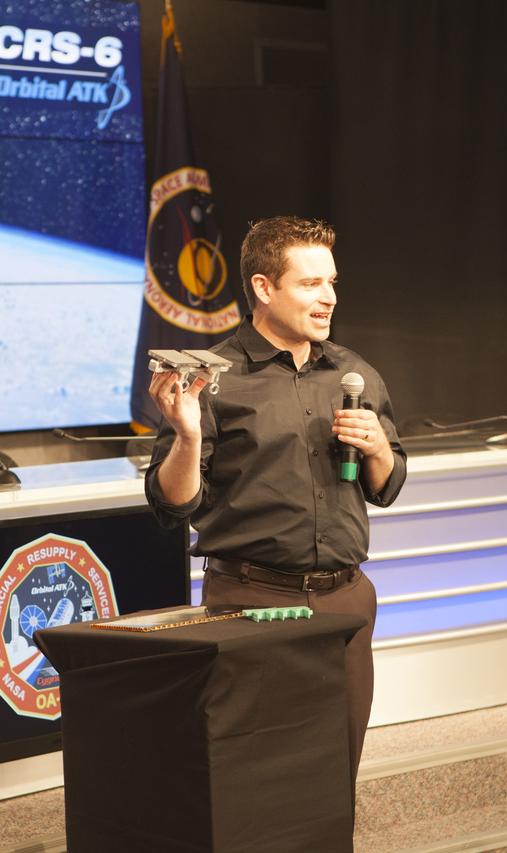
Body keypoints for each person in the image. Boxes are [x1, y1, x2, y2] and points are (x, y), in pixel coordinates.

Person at [145, 215, 406, 797]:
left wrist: (379, 448)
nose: (328, 298)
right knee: (254, 782)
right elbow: (172, 504)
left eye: (332, 283)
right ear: (264, 288)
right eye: (311, 284)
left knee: (335, 775)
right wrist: (187, 438)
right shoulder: (209, 379)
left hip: (345, 602)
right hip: (249, 602)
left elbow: (385, 487)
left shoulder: (354, 372)